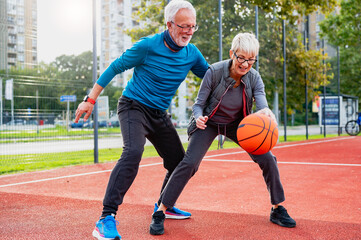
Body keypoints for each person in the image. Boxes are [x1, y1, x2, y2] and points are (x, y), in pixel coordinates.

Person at [74, 0, 209, 239]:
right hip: (133, 106)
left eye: (193, 27)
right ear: (169, 24)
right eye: (184, 26)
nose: (189, 31)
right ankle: (106, 218)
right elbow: (115, 67)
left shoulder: (192, 54)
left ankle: (163, 205)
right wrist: (90, 99)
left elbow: (211, 78)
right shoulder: (148, 46)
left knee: (181, 163)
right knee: (133, 152)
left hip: (159, 113)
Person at [151, 32, 296, 235]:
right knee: (189, 163)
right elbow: (199, 104)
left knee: (268, 158)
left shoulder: (254, 78)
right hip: (208, 122)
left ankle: (277, 208)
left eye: (251, 60)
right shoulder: (214, 71)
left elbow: (262, 105)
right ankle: (161, 211)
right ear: (232, 53)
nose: (246, 64)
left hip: (238, 125)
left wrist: (267, 115)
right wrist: (199, 117)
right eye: (242, 58)